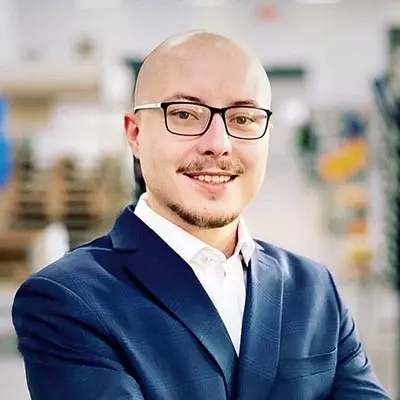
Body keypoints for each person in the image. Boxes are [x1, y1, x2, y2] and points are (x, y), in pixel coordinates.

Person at [12, 31, 389, 400]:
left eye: (243, 119)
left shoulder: (314, 288)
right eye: (185, 114)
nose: (218, 144)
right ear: (135, 134)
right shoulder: (68, 299)